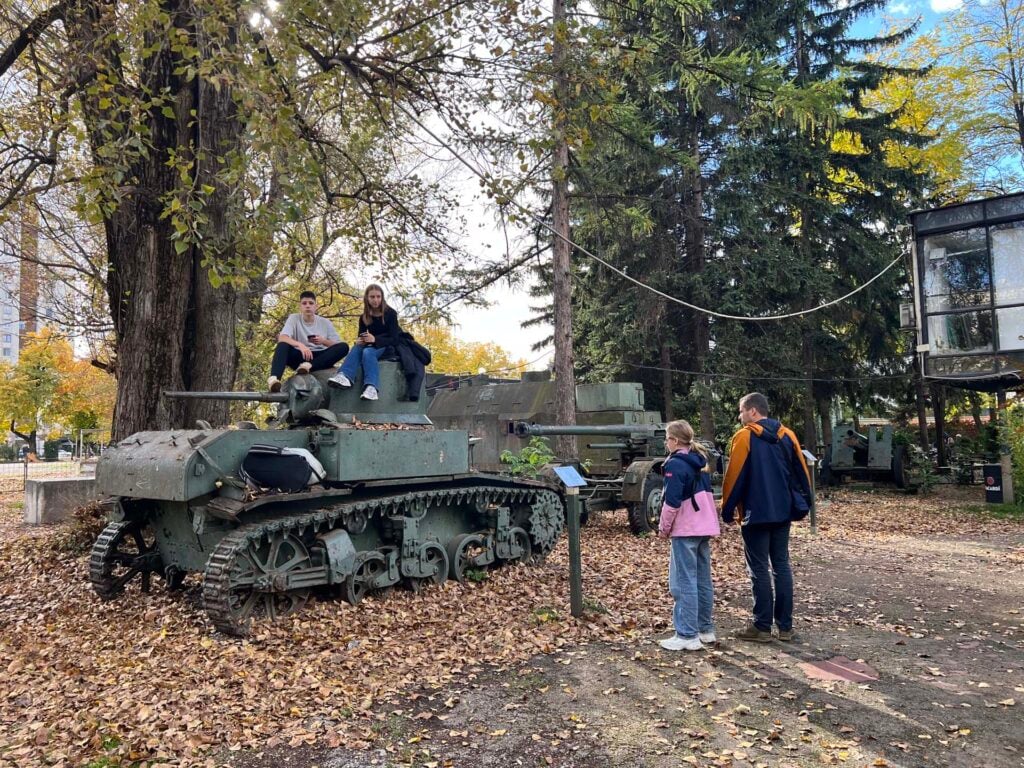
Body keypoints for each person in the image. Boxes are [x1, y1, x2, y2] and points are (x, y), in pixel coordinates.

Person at [722, 392, 811, 643]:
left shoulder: (744, 436)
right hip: (782, 512)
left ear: (752, 412)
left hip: (755, 513)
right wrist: (805, 504)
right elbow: (801, 473)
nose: (739, 416)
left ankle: (761, 627)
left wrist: (727, 509)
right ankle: (785, 627)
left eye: (741, 411)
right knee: (781, 565)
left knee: (759, 568)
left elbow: (734, 477)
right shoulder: (788, 435)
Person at [657, 420, 721, 652]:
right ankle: (705, 629)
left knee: (683, 581)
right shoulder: (698, 463)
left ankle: (686, 634)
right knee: (703, 579)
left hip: (686, 528)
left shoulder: (675, 465)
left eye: (667, 438)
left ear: (674, 441)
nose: (666, 442)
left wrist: (663, 528)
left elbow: (671, 502)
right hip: (704, 526)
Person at [329, 284, 401, 401]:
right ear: (367, 298)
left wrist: (375, 339)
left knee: (367, 352)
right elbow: (361, 335)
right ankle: (345, 376)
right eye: (372, 297)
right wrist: (360, 340)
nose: (375, 300)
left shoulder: (390, 313)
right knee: (357, 348)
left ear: (382, 297)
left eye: (378, 296)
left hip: (387, 347)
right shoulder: (364, 317)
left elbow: (395, 339)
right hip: (370, 345)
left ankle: (371, 387)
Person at [268, 291, 349, 393]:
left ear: (315, 306)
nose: (307, 306)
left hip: (320, 358)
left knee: (344, 346)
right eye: (304, 303)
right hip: (300, 356)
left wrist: (323, 341)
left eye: (311, 303)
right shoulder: (294, 318)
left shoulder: (325, 322)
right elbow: (282, 338)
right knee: (283, 345)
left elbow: (337, 346)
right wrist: (299, 344)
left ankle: (309, 366)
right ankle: (274, 380)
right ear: (300, 306)